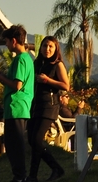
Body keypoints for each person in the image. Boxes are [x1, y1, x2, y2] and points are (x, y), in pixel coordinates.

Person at [0, 24, 35, 182]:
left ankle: (20, 176)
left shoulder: (20, 59)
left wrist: (1, 78)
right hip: (20, 107)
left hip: (16, 106)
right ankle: (20, 175)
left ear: (14, 41)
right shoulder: (28, 59)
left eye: (7, 41)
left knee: (14, 145)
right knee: (13, 143)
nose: (6, 44)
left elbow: (17, 85)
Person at [28, 37, 68, 181]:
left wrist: (48, 80)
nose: (47, 49)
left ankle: (34, 176)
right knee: (32, 140)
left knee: (37, 139)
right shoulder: (36, 63)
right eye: (45, 46)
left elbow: (66, 85)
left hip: (49, 106)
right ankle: (55, 168)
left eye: (51, 46)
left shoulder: (57, 65)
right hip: (35, 106)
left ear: (56, 48)